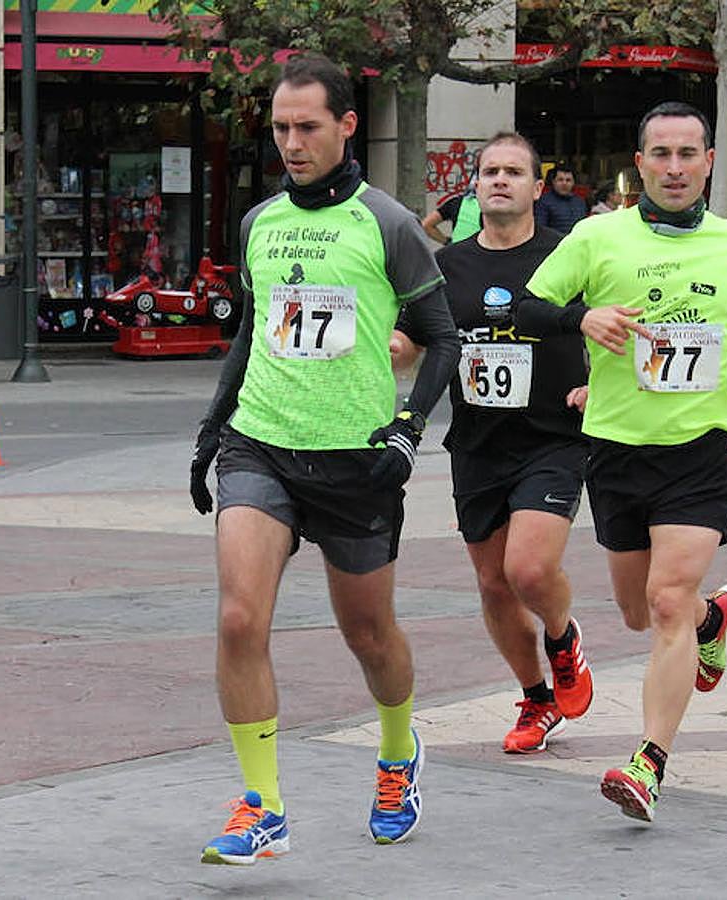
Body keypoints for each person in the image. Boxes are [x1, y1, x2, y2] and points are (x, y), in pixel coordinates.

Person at [188, 52, 461, 865]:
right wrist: (212, 429)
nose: (293, 143)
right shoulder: (261, 222)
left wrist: (408, 430)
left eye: (308, 127)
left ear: (346, 124)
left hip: (357, 460)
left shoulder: (388, 223)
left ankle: (397, 753)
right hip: (262, 444)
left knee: (369, 634)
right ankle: (262, 803)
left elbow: (442, 336)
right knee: (240, 619)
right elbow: (252, 330)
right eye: (281, 128)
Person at [516, 100, 727, 823]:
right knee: (641, 612)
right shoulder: (595, 236)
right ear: (638, 163)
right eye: (661, 155)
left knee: (668, 599)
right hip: (616, 445)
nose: (675, 168)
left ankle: (649, 762)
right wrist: (582, 317)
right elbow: (528, 306)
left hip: (703, 446)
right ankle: (712, 624)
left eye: (688, 154)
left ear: (709, 162)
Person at [392, 131, 594, 756]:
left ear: (538, 187)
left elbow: (614, 326)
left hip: (553, 437)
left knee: (528, 568)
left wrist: (600, 387)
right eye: (489, 172)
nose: (499, 180)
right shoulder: (446, 267)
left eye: (513, 171)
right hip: (478, 443)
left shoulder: (569, 256)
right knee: (493, 585)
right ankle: (536, 698)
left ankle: (563, 640)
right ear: (474, 187)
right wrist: (389, 347)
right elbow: (412, 342)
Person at [534, 165, 586, 237]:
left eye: (568, 180)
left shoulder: (580, 202)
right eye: (560, 180)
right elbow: (540, 229)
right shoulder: (543, 202)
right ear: (553, 182)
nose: (564, 183)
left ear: (573, 183)